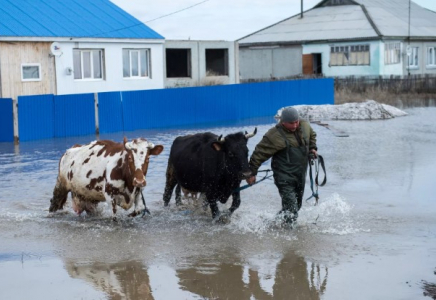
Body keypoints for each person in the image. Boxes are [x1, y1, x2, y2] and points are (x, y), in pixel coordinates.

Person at [246, 107, 318, 226]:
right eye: (291, 123)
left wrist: (312, 148)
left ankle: (274, 224)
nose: (295, 125)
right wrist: (252, 173)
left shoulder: (304, 125)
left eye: (296, 122)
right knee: (292, 209)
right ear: (282, 122)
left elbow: (312, 136)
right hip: (284, 176)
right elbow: (259, 153)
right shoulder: (274, 135)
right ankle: (289, 238)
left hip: (300, 174)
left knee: (296, 206)